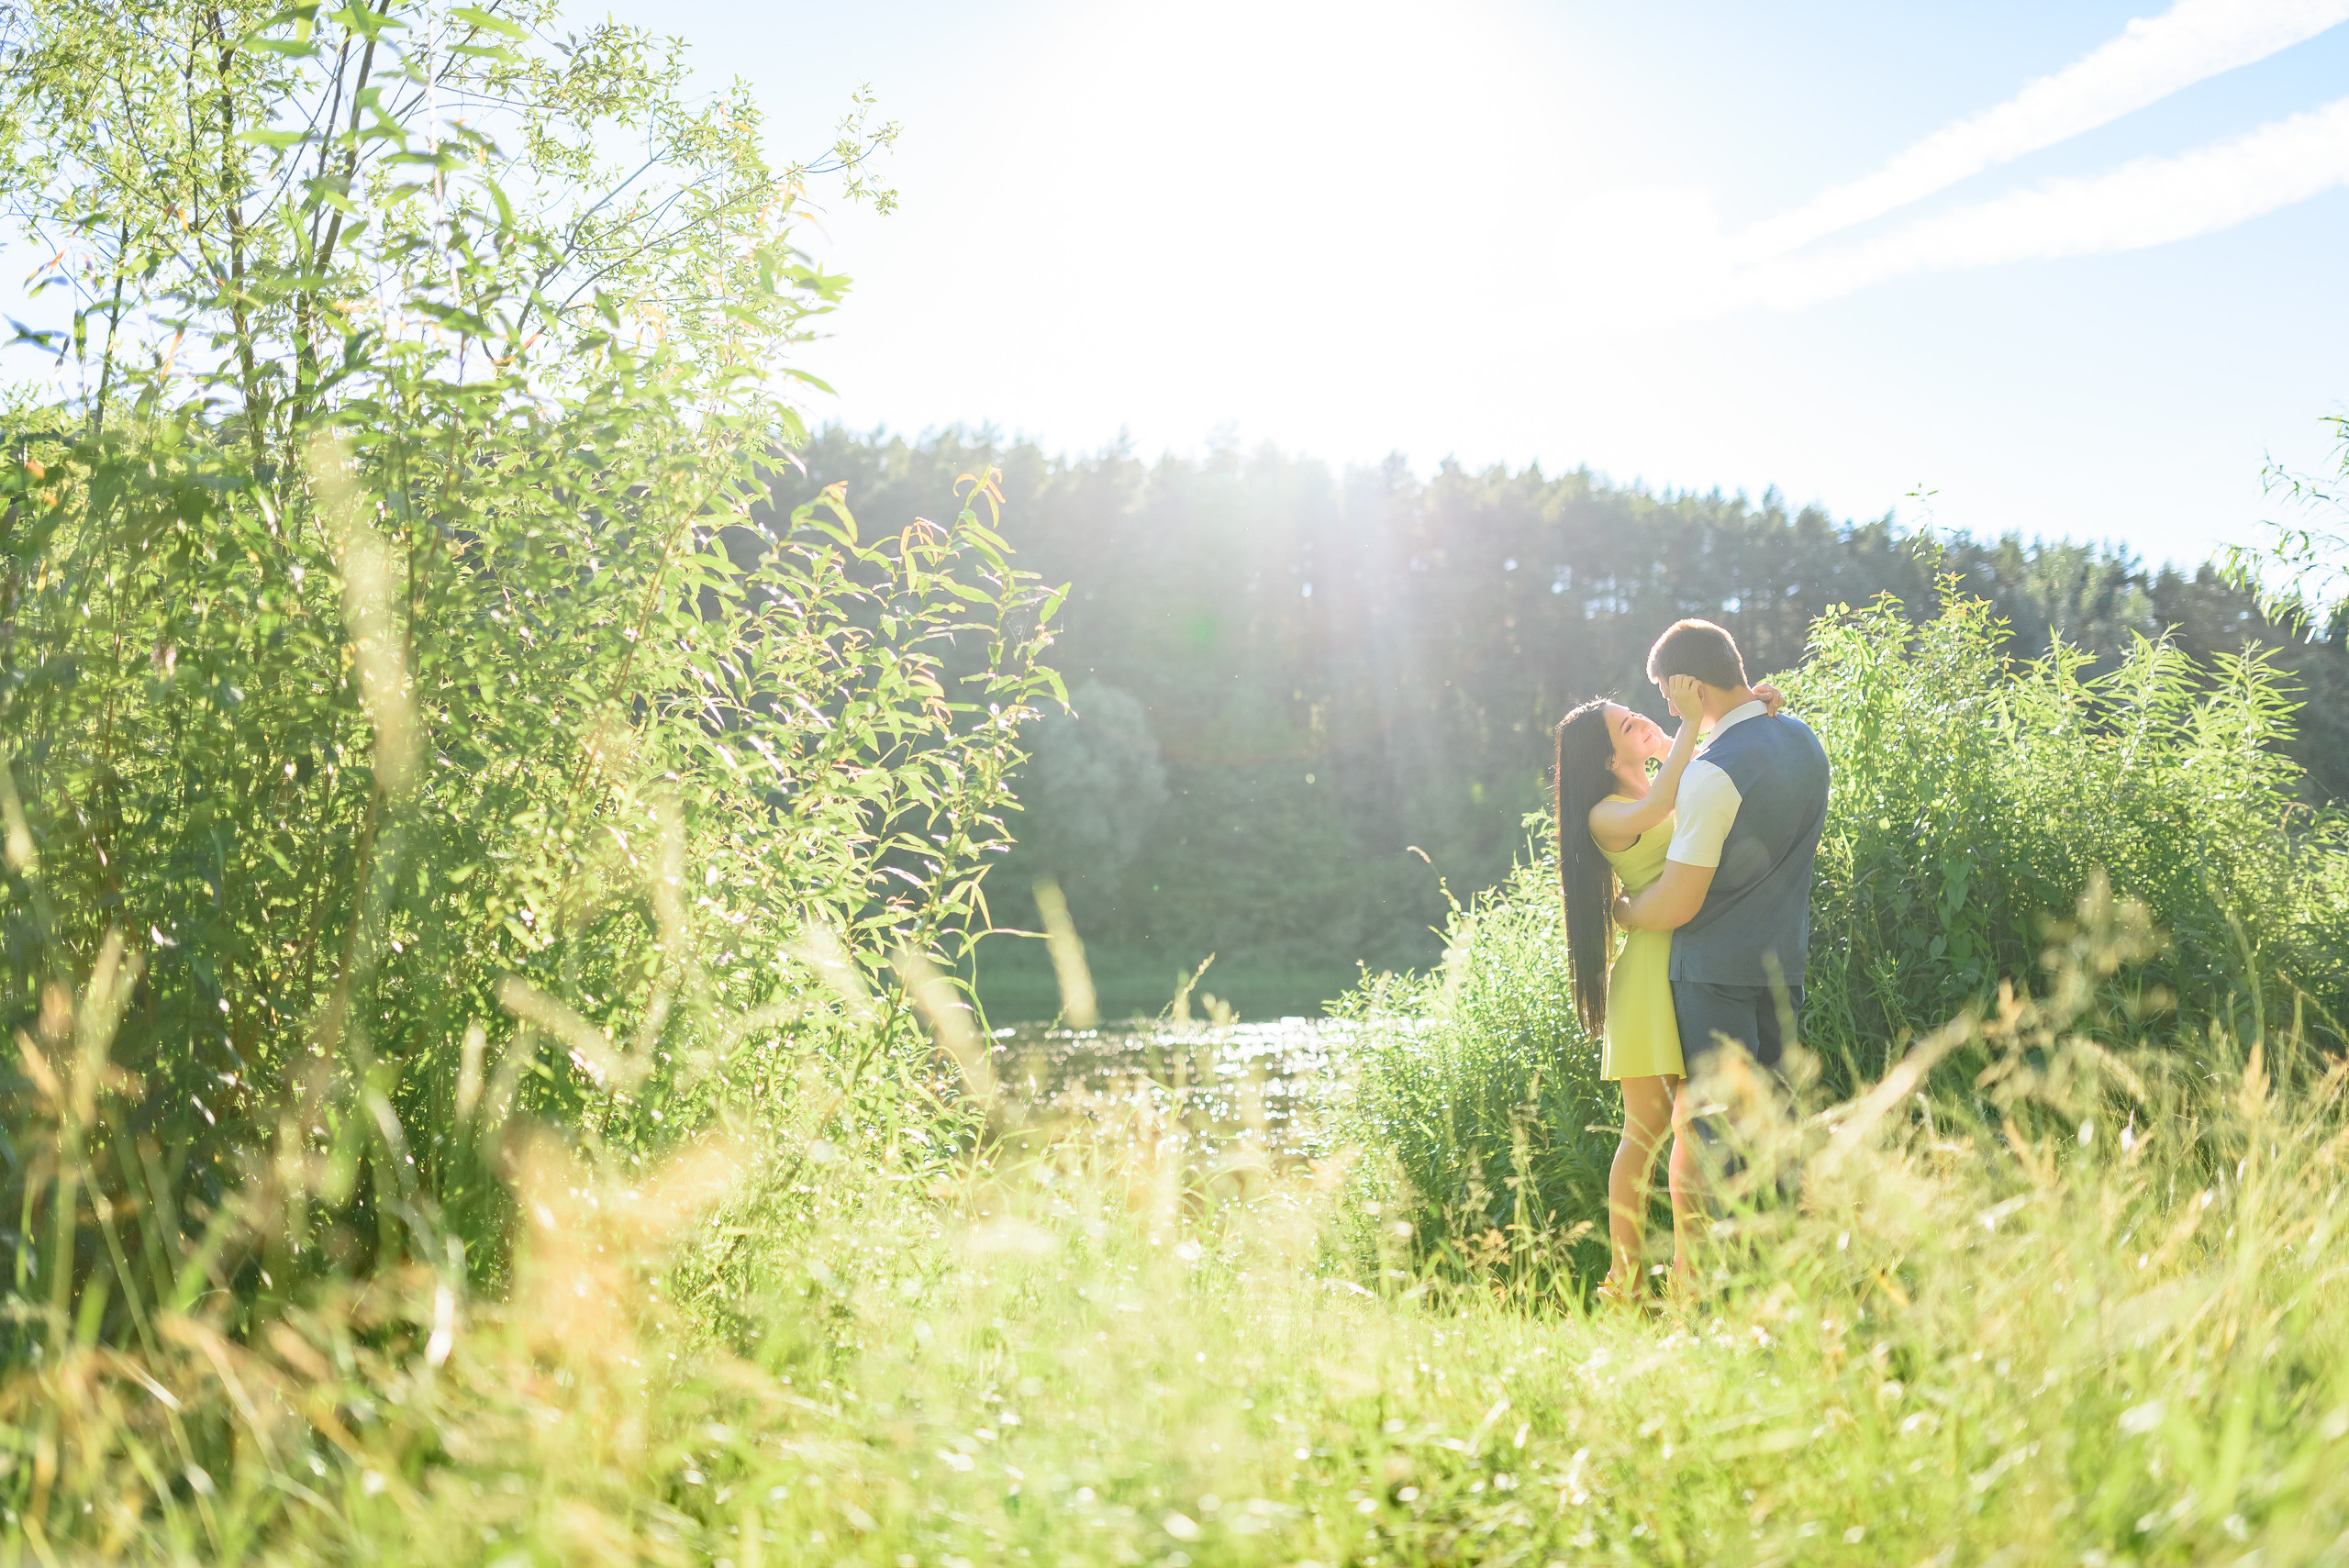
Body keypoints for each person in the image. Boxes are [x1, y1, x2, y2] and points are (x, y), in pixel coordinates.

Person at [1553, 673, 1782, 1311]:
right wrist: (1686, 722)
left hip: (1690, 959)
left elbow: (1704, 779)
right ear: (1605, 759)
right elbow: (1657, 813)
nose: (1644, 723)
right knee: (1646, 1133)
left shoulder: (1665, 778)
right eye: (1629, 726)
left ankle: (1688, 1275)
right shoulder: (1606, 814)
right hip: (1650, 977)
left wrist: (1746, 709)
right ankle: (1623, 1279)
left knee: (1693, 1128)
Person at [1613, 618, 1831, 1268]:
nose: (1664, 707)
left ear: (1687, 684)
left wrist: (1625, 912)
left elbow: (1678, 901)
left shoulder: (1713, 774)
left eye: (1665, 693)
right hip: (1781, 969)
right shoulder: (1802, 739)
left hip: (1711, 978)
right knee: (1777, 1135)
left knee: (1713, 1143)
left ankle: (1719, 1295)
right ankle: (1788, 1275)